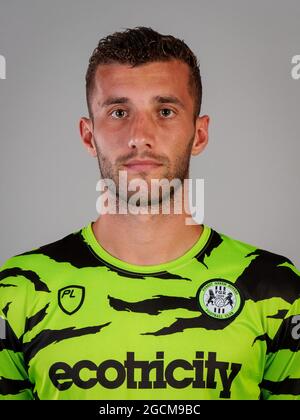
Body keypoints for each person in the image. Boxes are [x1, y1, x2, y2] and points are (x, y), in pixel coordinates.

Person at [0, 26, 299, 401]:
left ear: (199, 134)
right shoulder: (18, 292)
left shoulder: (277, 292)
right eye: (119, 111)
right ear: (89, 136)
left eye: (165, 111)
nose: (140, 135)